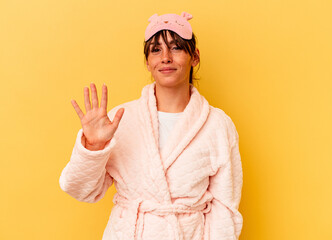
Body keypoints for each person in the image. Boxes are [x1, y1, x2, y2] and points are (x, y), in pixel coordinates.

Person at [59, 12, 243, 240]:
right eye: (156, 50)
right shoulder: (120, 119)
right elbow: (81, 190)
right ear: (147, 62)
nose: (165, 57)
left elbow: (225, 209)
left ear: (194, 57)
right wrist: (94, 147)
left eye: (176, 48)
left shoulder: (217, 125)